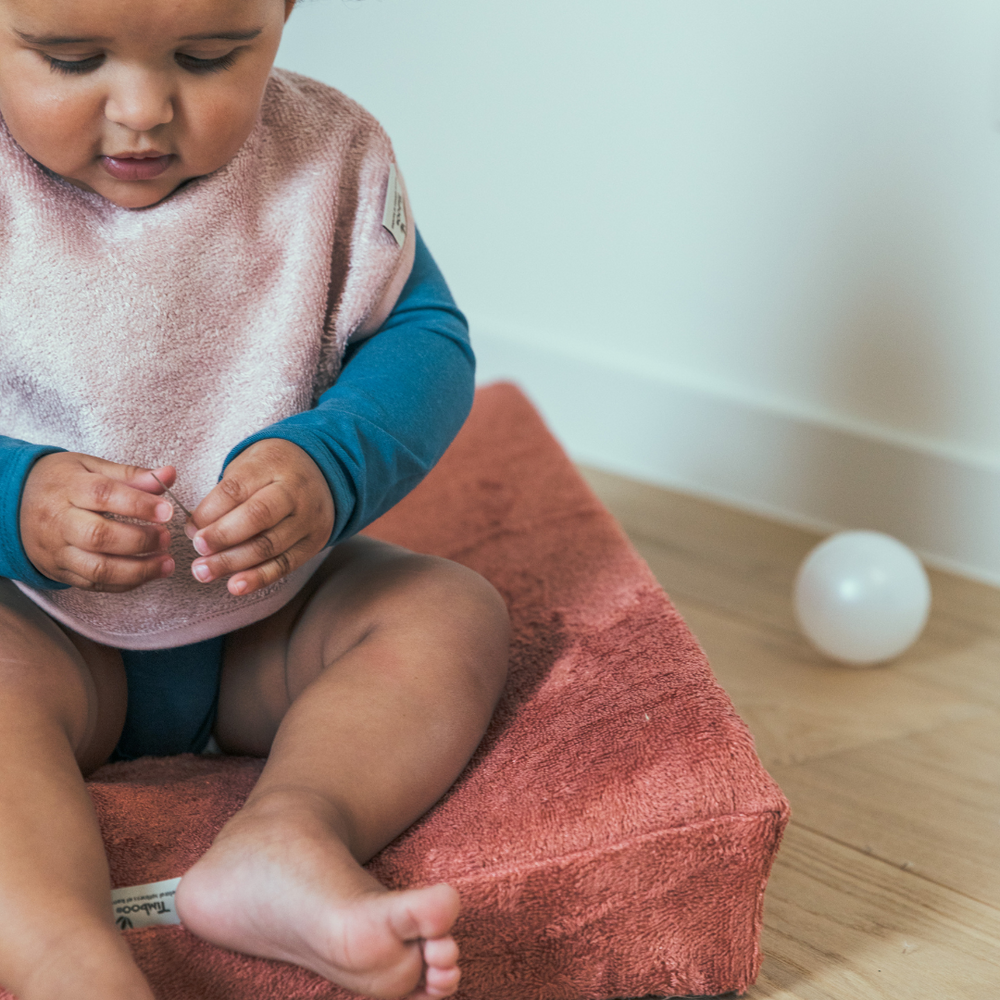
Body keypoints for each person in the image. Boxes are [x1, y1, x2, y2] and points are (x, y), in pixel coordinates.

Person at [0, 0, 511, 998]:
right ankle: (62, 956)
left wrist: (328, 463)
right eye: (70, 59)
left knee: (449, 612)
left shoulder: (325, 163)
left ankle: (290, 832)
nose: (142, 109)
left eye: (207, 55)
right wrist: (17, 498)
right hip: (38, 630)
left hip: (262, 626)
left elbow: (425, 347)